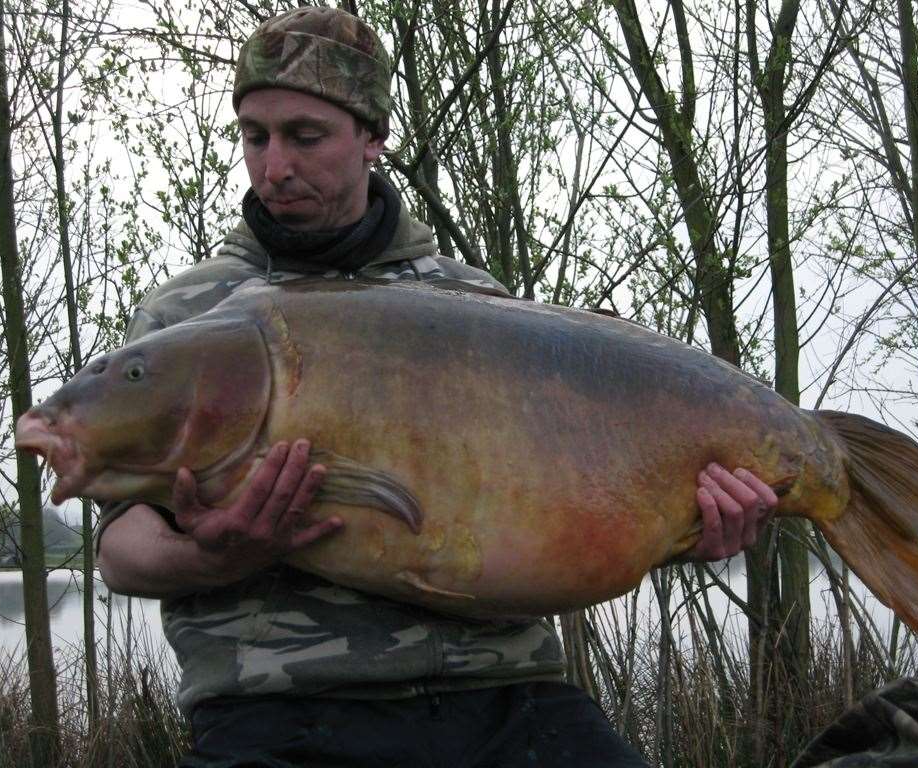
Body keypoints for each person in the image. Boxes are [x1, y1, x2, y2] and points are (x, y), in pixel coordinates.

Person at [95, 6, 778, 767]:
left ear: (373, 138)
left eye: (305, 136)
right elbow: (121, 546)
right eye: (255, 137)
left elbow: (565, 507)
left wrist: (691, 530)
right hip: (279, 707)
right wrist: (211, 556)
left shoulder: (472, 304)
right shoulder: (187, 318)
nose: (274, 166)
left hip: (502, 689)